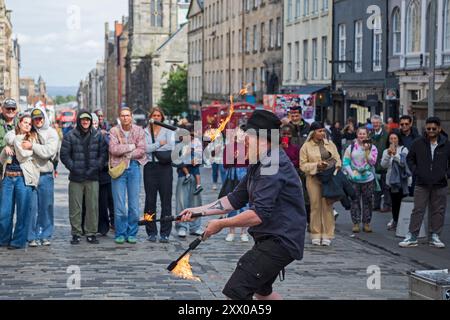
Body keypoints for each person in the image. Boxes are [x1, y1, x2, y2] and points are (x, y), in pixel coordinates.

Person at [179, 110, 307, 300]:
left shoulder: (273, 164)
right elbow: (234, 199)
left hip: (281, 240)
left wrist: (221, 224)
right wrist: (197, 211)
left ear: (263, 138)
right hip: (270, 237)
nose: (244, 141)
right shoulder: (259, 162)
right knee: (263, 293)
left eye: (247, 137)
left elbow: (257, 215)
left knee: (236, 291)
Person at [399, 117, 450, 249]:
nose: (431, 131)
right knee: (418, 210)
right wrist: (416, 171)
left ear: (439, 128)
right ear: (425, 129)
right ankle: (412, 236)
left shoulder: (446, 144)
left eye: (434, 128)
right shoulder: (418, 143)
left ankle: (435, 236)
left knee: (438, 211)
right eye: (428, 129)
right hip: (422, 182)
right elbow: (410, 159)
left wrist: (446, 174)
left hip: (440, 183)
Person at [60, 111, 107, 245]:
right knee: (75, 207)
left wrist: (96, 167)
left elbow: (103, 155)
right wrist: (74, 167)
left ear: (91, 121)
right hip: (76, 177)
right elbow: (64, 155)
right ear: (79, 121)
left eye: (87, 120)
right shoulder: (70, 136)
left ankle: (91, 233)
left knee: (92, 207)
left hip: (92, 176)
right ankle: (76, 233)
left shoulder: (98, 135)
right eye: (83, 120)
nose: (85, 122)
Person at [0, 113, 39, 249]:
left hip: (23, 178)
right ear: (19, 123)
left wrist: (16, 144)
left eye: (29, 123)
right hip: (8, 178)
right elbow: (2, 160)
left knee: (22, 212)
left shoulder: (32, 139)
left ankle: (18, 242)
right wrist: (5, 150)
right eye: (25, 122)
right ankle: (3, 239)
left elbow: (23, 155)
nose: (27, 125)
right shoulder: (11, 137)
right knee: (4, 212)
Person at [300, 122, 341, 246]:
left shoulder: (330, 144)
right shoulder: (306, 146)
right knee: (315, 206)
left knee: (327, 206)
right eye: (319, 131)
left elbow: (338, 158)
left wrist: (337, 166)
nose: (322, 133)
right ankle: (316, 233)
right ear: (313, 133)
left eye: (323, 130)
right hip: (313, 178)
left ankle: (327, 234)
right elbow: (302, 165)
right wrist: (316, 165)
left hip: (328, 178)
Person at [109, 107, 147, 245]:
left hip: (134, 169)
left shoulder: (139, 130)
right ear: (120, 117)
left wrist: (127, 151)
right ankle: (120, 233)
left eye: (127, 115)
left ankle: (132, 232)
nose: (125, 118)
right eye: (122, 115)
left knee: (134, 205)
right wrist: (131, 147)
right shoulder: (114, 131)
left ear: (131, 116)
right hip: (119, 169)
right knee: (119, 204)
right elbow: (113, 149)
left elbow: (142, 150)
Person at [25, 106, 60, 247]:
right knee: (31, 207)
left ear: (44, 118)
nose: (38, 121)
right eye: (35, 119)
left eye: (40, 118)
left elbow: (48, 152)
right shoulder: (28, 132)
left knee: (46, 206)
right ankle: (31, 236)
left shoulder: (52, 133)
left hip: (46, 175)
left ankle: (45, 235)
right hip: (31, 175)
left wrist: (32, 147)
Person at [143, 107, 175, 243]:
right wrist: (158, 144)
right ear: (150, 117)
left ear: (162, 117)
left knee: (166, 201)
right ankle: (151, 231)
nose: (156, 118)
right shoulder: (145, 131)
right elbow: (145, 148)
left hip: (165, 167)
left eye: (158, 115)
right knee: (150, 201)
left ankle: (165, 232)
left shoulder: (168, 130)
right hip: (150, 167)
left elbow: (171, 146)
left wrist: (153, 147)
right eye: (154, 115)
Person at [343, 127, 378, 233]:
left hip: (368, 179)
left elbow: (373, 162)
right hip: (354, 179)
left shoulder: (372, 147)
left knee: (368, 201)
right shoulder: (351, 147)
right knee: (355, 201)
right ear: (357, 135)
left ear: (367, 135)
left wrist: (367, 150)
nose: (362, 136)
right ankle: (356, 223)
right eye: (360, 134)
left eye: (364, 134)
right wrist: (351, 173)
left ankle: (366, 223)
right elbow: (345, 162)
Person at [381, 132, 410, 231]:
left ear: (398, 139)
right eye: (391, 138)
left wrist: (395, 154)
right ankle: (395, 220)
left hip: (402, 181)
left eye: (395, 138)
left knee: (403, 201)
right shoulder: (386, 151)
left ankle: (403, 221)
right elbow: (383, 165)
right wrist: (389, 155)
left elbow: (403, 163)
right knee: (394, 202)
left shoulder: (404, 149)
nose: (393, 140)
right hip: (391, 181)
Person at [370, 115, 391, 213]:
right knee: (376, 186)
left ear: (381, 123)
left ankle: (387, 205)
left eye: (377, 123)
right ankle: (376, 204)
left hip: (384, 163)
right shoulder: (370, 135)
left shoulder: (387, 135)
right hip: (374, 164)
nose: (375, 125)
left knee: (386, 186)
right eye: (374, 123)